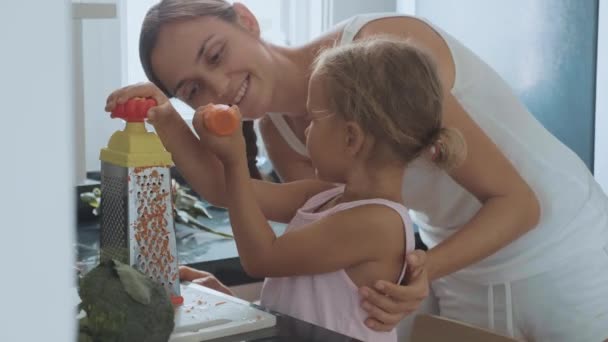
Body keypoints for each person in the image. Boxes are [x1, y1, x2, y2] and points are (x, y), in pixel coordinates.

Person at [106, 1, 608, 340]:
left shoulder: (381, 53)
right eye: (192, 90)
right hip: (457, 273)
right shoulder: (286, 130)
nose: (216, 86)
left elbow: (517, 202)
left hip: (560, 259)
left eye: (215, 54)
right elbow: (243, 199)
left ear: (246, 19)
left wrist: (427, 266)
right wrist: (166, 117)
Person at [148, 37, 457, 341]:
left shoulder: (377, 223)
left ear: (351, 138)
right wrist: (165, 117)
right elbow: (229, 191)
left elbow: (262, 258)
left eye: (314, 119)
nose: (306, 130)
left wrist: (234, 160)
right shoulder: (323, 196)